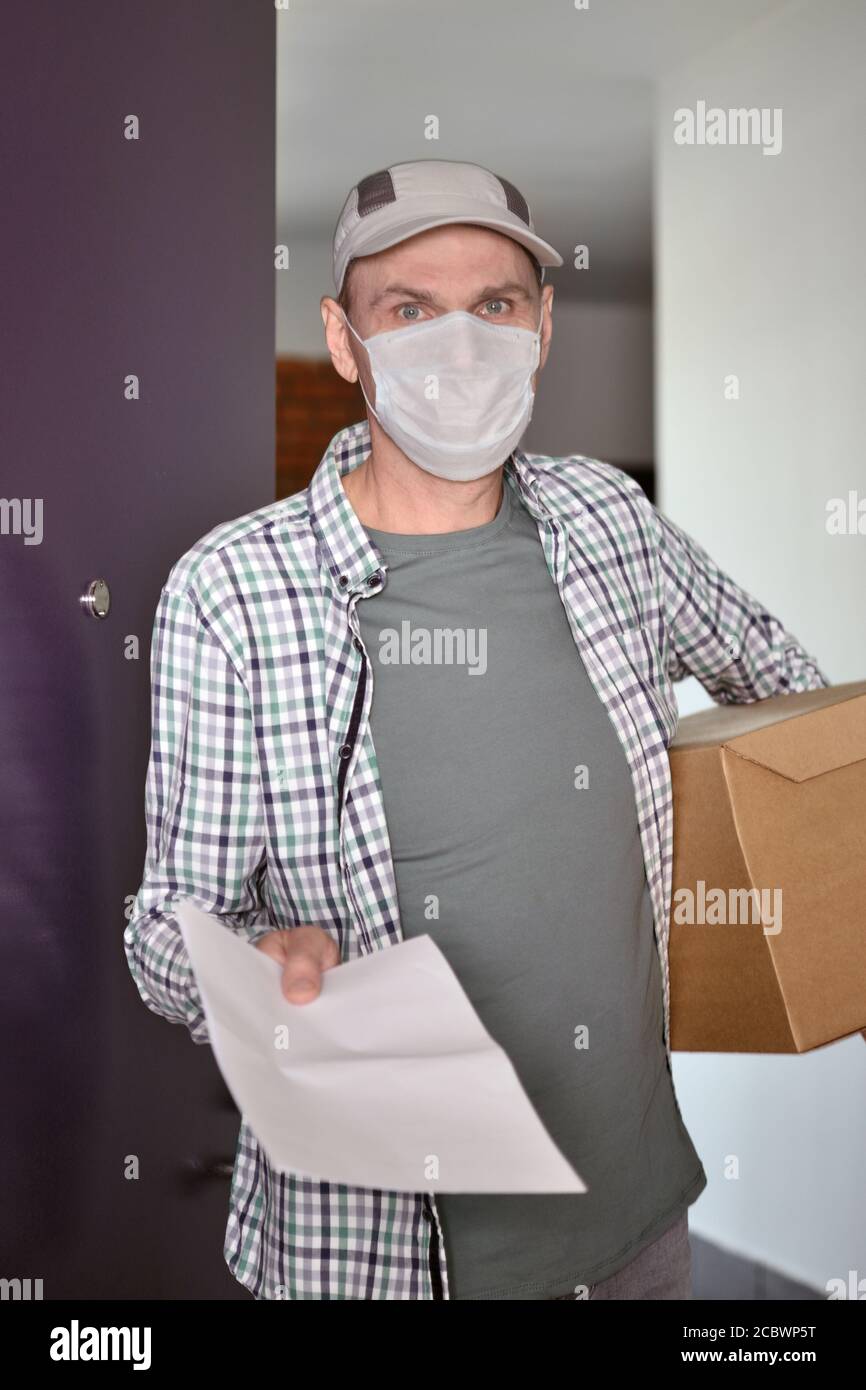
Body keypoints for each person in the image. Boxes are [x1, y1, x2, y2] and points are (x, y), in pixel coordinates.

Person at [124, 158, 829, 1300]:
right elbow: (166, 926)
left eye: (493, 305)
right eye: (407, 309)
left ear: (542, 327)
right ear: (343, 339)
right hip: (376, 1261)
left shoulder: (609, 521)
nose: (459, 348)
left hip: (637, 1226)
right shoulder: (230, 591)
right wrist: (252, 970)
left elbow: (787, 695)